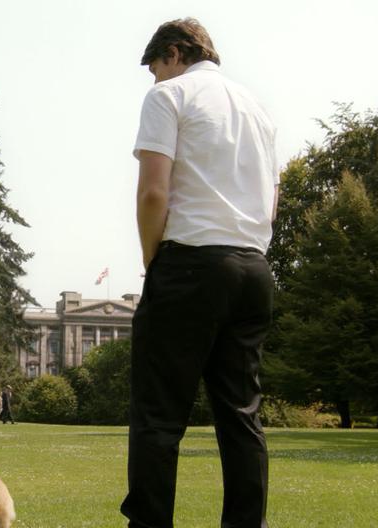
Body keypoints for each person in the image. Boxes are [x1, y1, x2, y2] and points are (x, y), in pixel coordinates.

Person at [121, 18, 278, 528]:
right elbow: (270, 200)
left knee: (159, 416)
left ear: (173, 52)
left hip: (191, 262)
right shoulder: (257, 108)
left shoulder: (170, 97)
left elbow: (152, 193)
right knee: (241, 418)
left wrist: (152, 259)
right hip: (253, 267)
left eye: (155, 69)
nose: (154, 80)